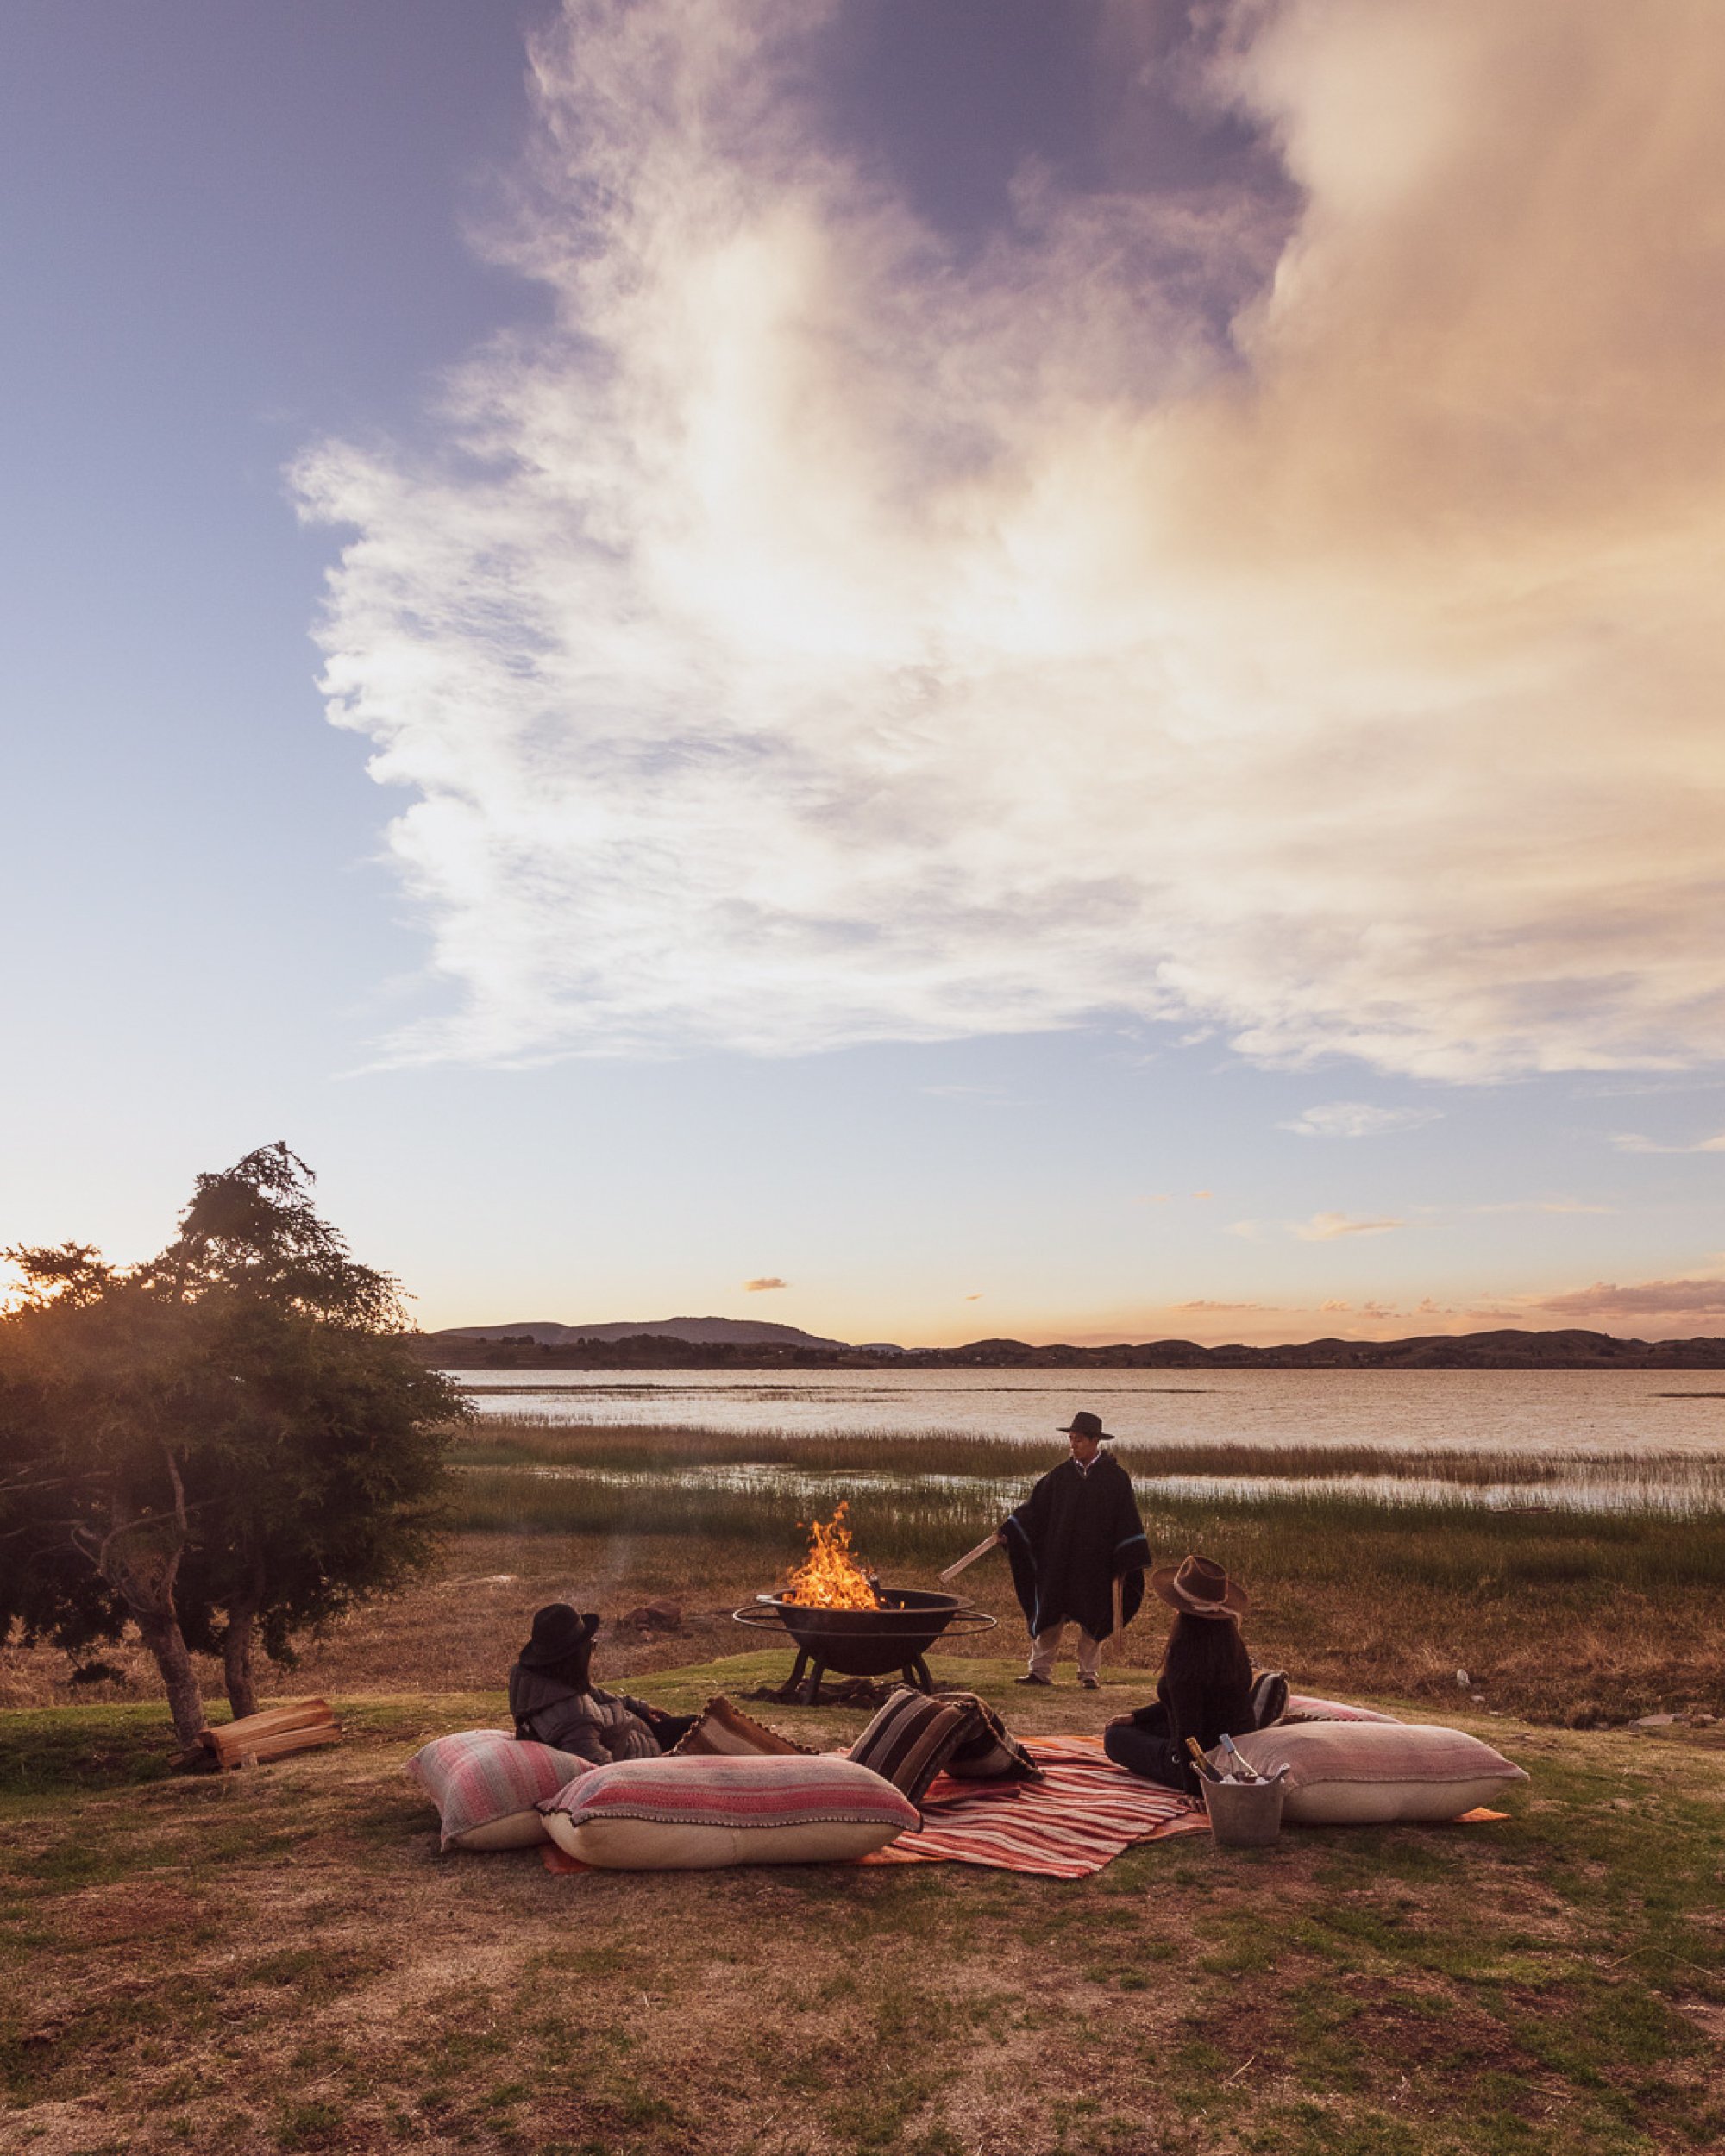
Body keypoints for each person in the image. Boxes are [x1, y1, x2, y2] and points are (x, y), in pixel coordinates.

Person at [1101, 1554, 1286, 1794]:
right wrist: (1137, 1717)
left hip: (1198, 1759)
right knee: (1136, 1727)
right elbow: (1188, 1703)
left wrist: (1195, 1787)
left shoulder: (1185, 1654)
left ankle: (1179, 1768)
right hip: (1234, 1747)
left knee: (1115, 1737)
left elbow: (1189, 1729)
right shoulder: (1231, 1645)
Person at [998, 1410, 1151, 1689]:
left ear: (1095, 1441)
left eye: (1078, 1439)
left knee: (1094, 1617)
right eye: (1071, 1439)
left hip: (1096, 1564)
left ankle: (1089, 1674)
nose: (1073, 1444)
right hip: (1058, 1561)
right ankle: (1039, 1671)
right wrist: (1011, 1529)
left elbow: (1128, 1519)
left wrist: (1127, 1558)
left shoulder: (1115, 1479)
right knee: (1049, 1614)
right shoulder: (1060, 1476)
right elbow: (1034, 1510)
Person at [507, 1602, 697, 1764]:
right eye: (591, 1646)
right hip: (645, 1754)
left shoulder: (550, 1686)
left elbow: (597, 1695)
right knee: (705, 1735)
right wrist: (666, 1761)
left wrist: (641, 1708)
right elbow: (603, 1774)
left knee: (701, 1723)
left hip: (639, 1733)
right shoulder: (574, 1719)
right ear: (575, 1657)